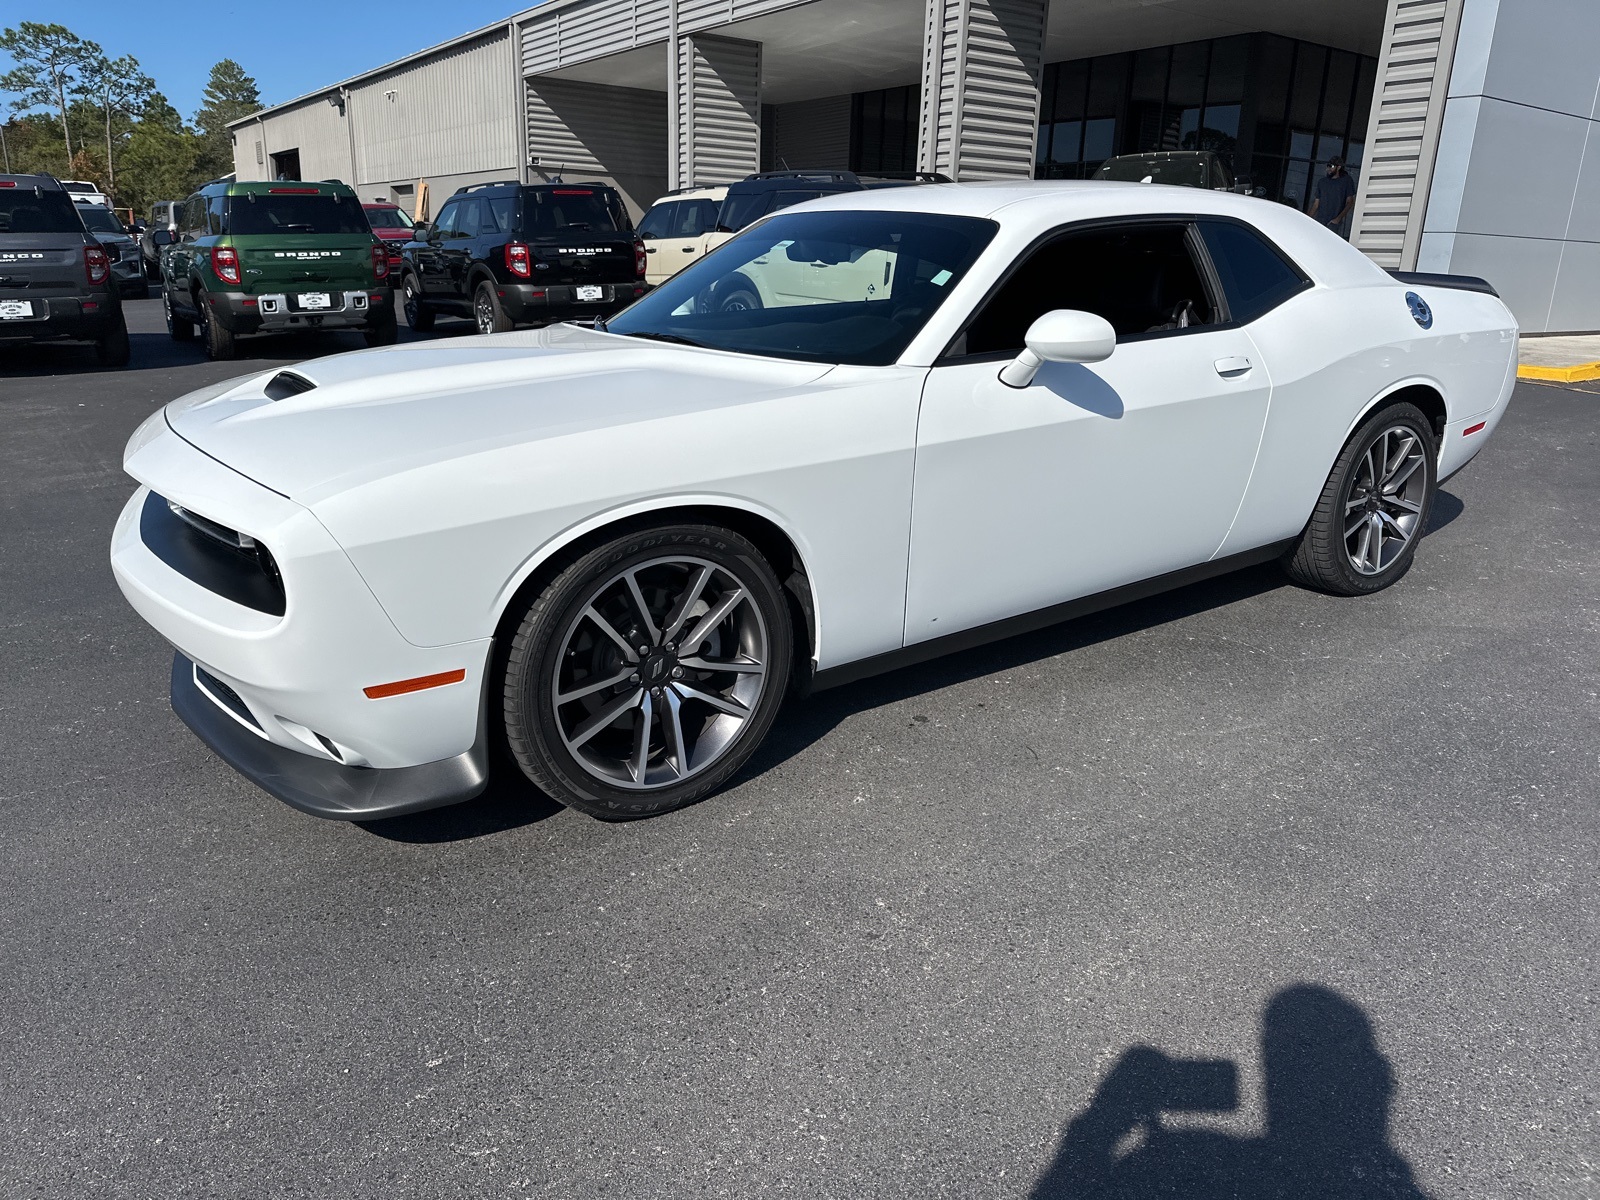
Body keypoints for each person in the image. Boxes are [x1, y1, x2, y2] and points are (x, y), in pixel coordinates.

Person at [1309, 156, 1357, 239]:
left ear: (1338, 167)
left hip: (1334, 223)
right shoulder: (1322, 182)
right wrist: (1308, 218)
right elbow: (1316, 203)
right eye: (1328, 166)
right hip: (1319, 221)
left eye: (1331, 166)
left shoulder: (1346, 181)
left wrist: (1338, 219)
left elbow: (1350, 202)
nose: (1328, 169)